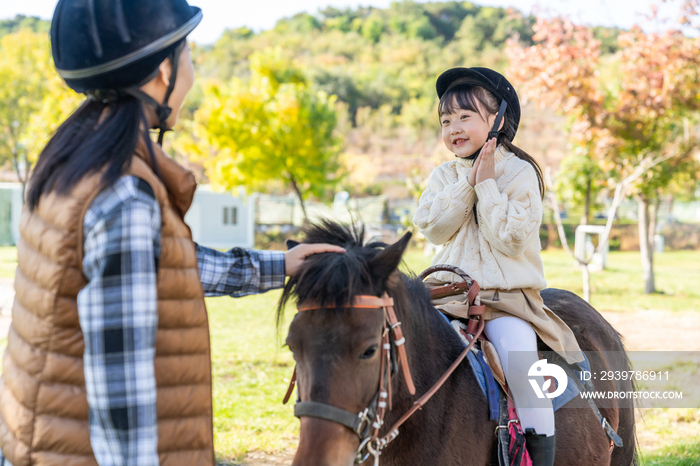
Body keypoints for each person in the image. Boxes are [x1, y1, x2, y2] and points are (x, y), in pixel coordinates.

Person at [0, 1, 343, 465]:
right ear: (163, 70)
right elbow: (122, 402)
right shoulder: (124, 196)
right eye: (189, 56)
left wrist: (279, 265)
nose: (192, 74)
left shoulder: (70, 159)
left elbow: (155, 265)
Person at [413, 67, 585, 466]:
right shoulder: (443, 175)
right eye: (445, 120)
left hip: (506, 303)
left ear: (498, 121)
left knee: (524, 377)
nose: (453, 127)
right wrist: (467, 184)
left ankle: (539, 457)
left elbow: (510, 236)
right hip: (448, 298)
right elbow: (434, 228)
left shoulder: (520, 173)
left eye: (465, 116)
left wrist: (487, 184)